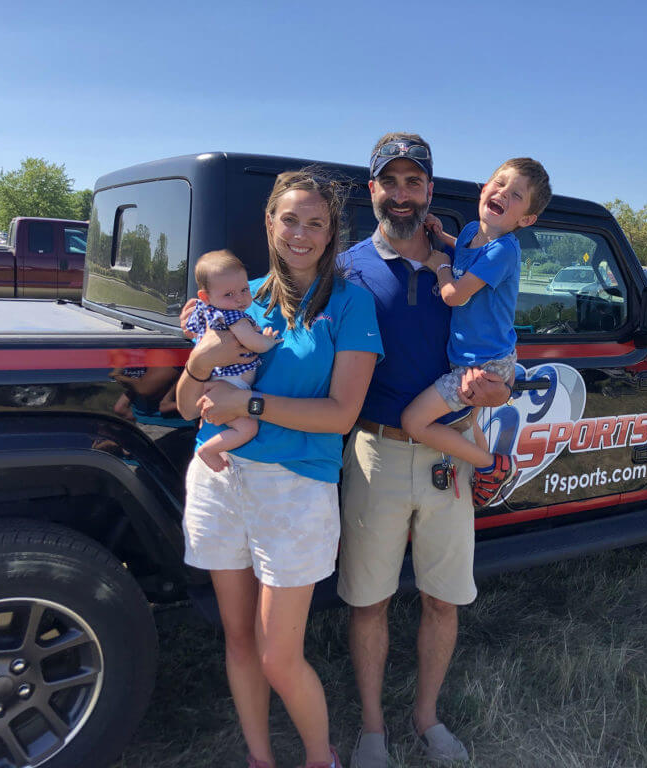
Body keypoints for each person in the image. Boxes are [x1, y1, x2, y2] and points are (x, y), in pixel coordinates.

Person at [176, 170, 383, 768]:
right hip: (218, 480)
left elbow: (343, 414)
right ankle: (260, 759)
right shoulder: (241, 296)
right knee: (239, 640)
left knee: (276, 655)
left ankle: (322, 757)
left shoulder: (349, 302)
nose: (301, 233)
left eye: (316, 223)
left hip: (294, 488)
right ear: (269, 223)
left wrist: (252, 405)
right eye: (290, 219)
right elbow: (190, 408)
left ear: (332, 232)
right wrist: (201, 363)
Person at [336, 133, 513, 768]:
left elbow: (497, 345)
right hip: (374, 454)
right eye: (392, 182)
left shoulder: (464, 261)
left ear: (430, 192)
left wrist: (492, 398)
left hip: (449, 455)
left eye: (415, 183)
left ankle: (427, 718)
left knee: (443, 599)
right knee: (369, 601)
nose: (403, 195)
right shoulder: (347, 268)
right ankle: (374, 731)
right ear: (372, 190)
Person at [400, 158, 551, 508]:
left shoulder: (504, 250)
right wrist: (441, 237)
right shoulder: (470, 231)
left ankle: (492, 466)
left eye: (515, 195)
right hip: (472, 358)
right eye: (498, 184)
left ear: (525, 220)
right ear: (484, 188)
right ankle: (493, 475)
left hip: (485, 365)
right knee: (469, 423)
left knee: (413, 420)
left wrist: (439, 266)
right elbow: (465, 251)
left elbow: (454, 295)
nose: (502, 193)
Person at [185, 249, 280, 471]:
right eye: (229, 294)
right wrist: (268, 342)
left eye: (244, 290)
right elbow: (253, 343)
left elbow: (191, 332)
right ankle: (209, 450)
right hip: (228, 385)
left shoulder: (208, 311)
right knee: (248, 429)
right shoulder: (234, 317)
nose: (239, 298)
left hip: (215, 380)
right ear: (205, 297)